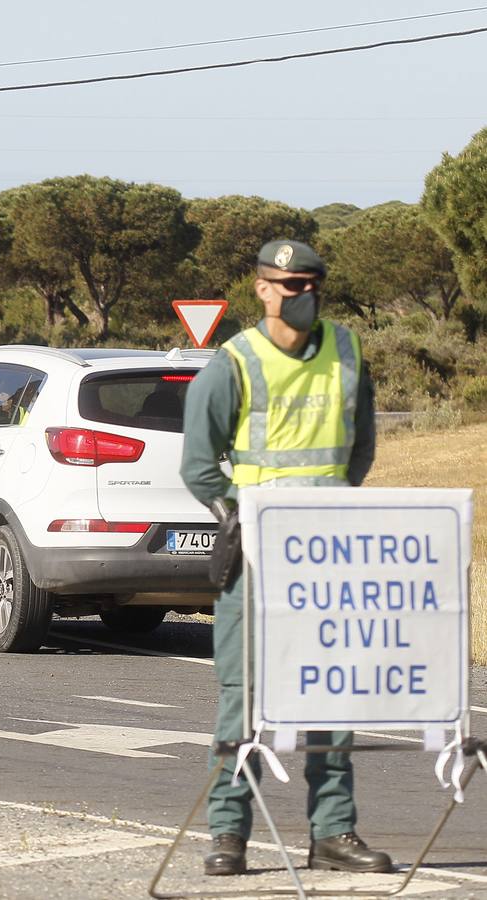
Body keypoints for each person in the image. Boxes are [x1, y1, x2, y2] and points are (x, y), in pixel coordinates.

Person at [180, 240, 388, 876]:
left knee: (330, 695)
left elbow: (360, 451)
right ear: (263, 289)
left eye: (312, 283)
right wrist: (240, 516)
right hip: (257, 559)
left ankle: (333, 832)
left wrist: (326, 511)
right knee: (242, 699)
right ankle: (228, 835)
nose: (303, 294)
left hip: (328, 556)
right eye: (290, 284)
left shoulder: (348, 350)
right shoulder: (234, 363)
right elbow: (198, 465)